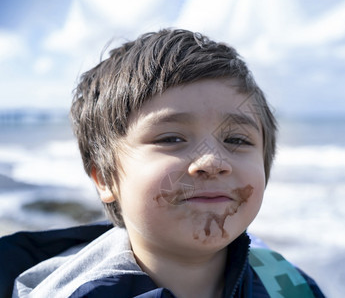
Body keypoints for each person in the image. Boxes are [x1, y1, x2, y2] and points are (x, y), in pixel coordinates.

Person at [0, 29, 325, 297]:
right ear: (105, 180)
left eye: (237, 140)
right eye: (171, 138)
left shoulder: (289, 285)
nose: (213, 162)